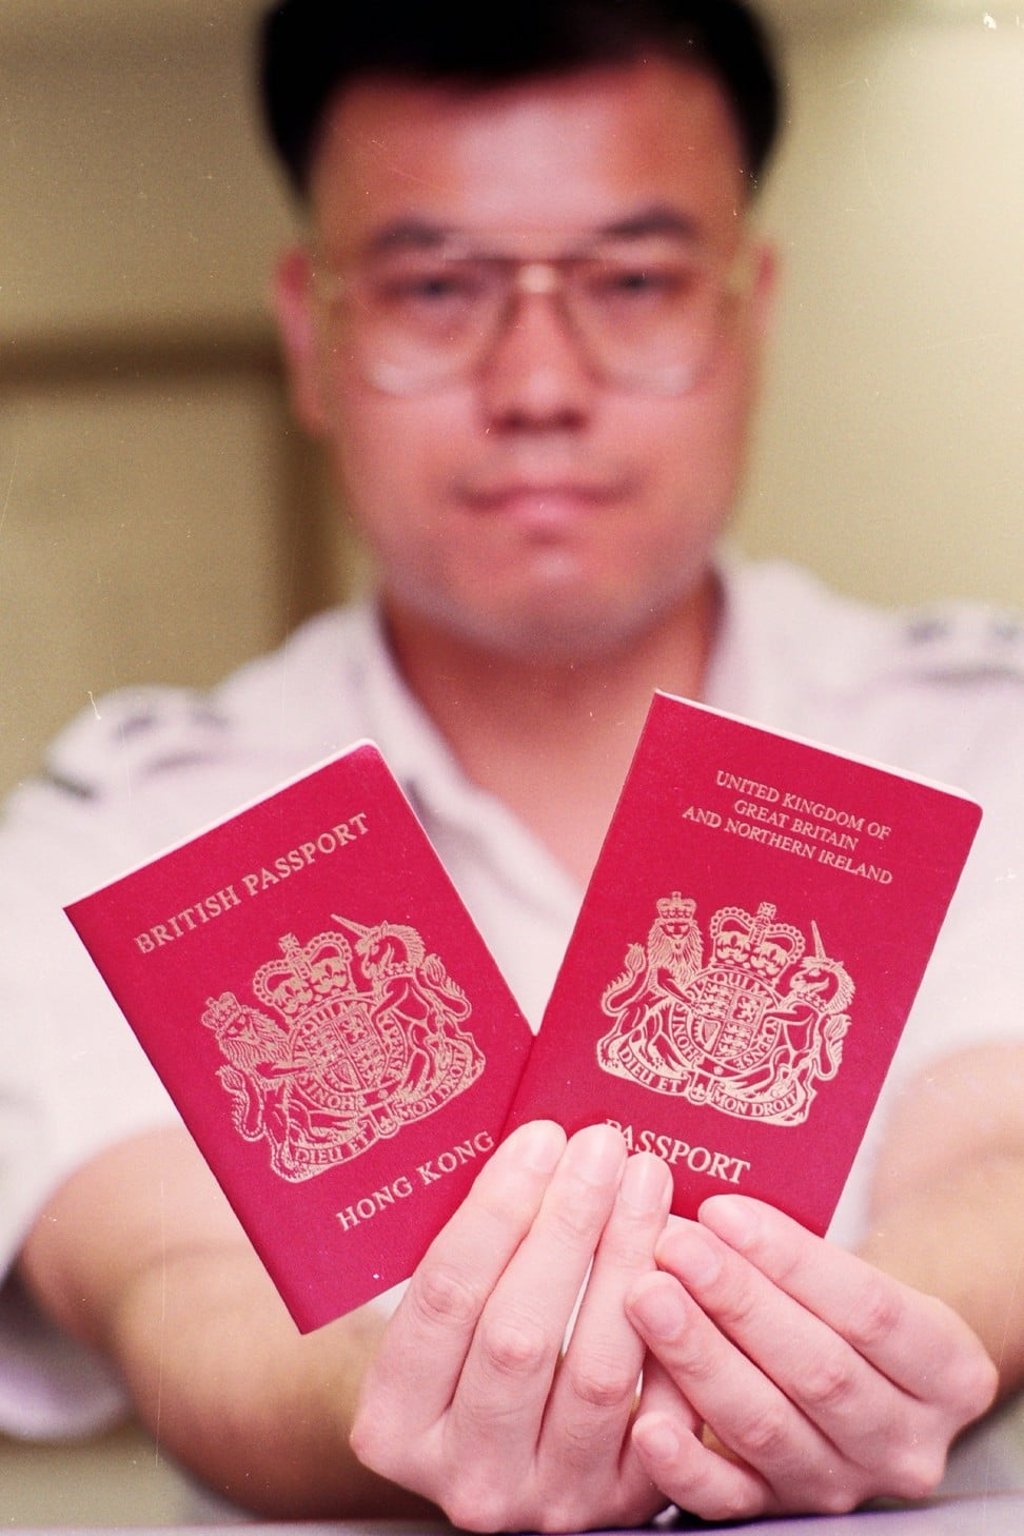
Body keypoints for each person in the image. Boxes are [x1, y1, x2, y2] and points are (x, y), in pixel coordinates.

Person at [2, 0, 1023, 1524]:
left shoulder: (979, 731)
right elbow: (164, 1274)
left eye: (631, 279)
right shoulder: (128, 824)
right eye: (434, 286)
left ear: (748, 313)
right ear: (312, 334)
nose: (539, 381)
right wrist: (387, 1397)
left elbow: (1000, 1137)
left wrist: (879, 1334)